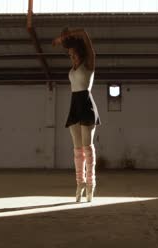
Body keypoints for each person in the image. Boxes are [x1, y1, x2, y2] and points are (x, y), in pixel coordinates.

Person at [52, 28, 101, 202]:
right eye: (69, 55)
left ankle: (91, 183)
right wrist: (60, 40)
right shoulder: (73, 66)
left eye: (74, 54)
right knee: (77, 150)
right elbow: (67, 46)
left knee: (87, 148)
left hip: (86, 105)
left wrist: (68, 34)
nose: (71, 57)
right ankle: (80, 182)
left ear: (81, 53)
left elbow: (85, 36)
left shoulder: (89, 63)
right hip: (74, 107)